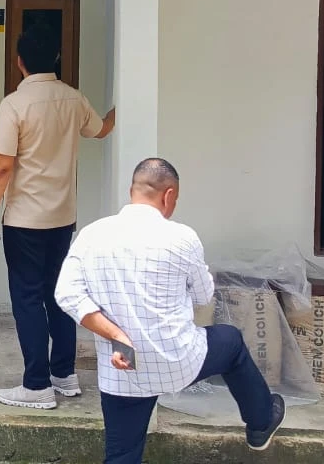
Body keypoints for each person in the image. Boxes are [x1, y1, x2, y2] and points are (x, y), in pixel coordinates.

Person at [55, 158, 285, 464]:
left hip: (123, 367)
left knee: (121, 455)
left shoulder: (91, 235)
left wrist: (117, 334)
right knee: (230, 341)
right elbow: (203, 296)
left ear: (132, 191)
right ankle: (261, 423)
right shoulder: (182, 237)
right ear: (169, 195)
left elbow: (66, 295)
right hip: (177, 360)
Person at [0, 25, 116, 409]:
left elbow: (2, 166)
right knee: (60, 294)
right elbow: (101, 130)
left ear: (19, 61)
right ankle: (64, 374)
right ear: (55, 58)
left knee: (27, 299)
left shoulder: (15, 104)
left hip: (25, 219)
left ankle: (37, 385)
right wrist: (122, 106)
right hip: (63, 218)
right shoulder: (73, 98)